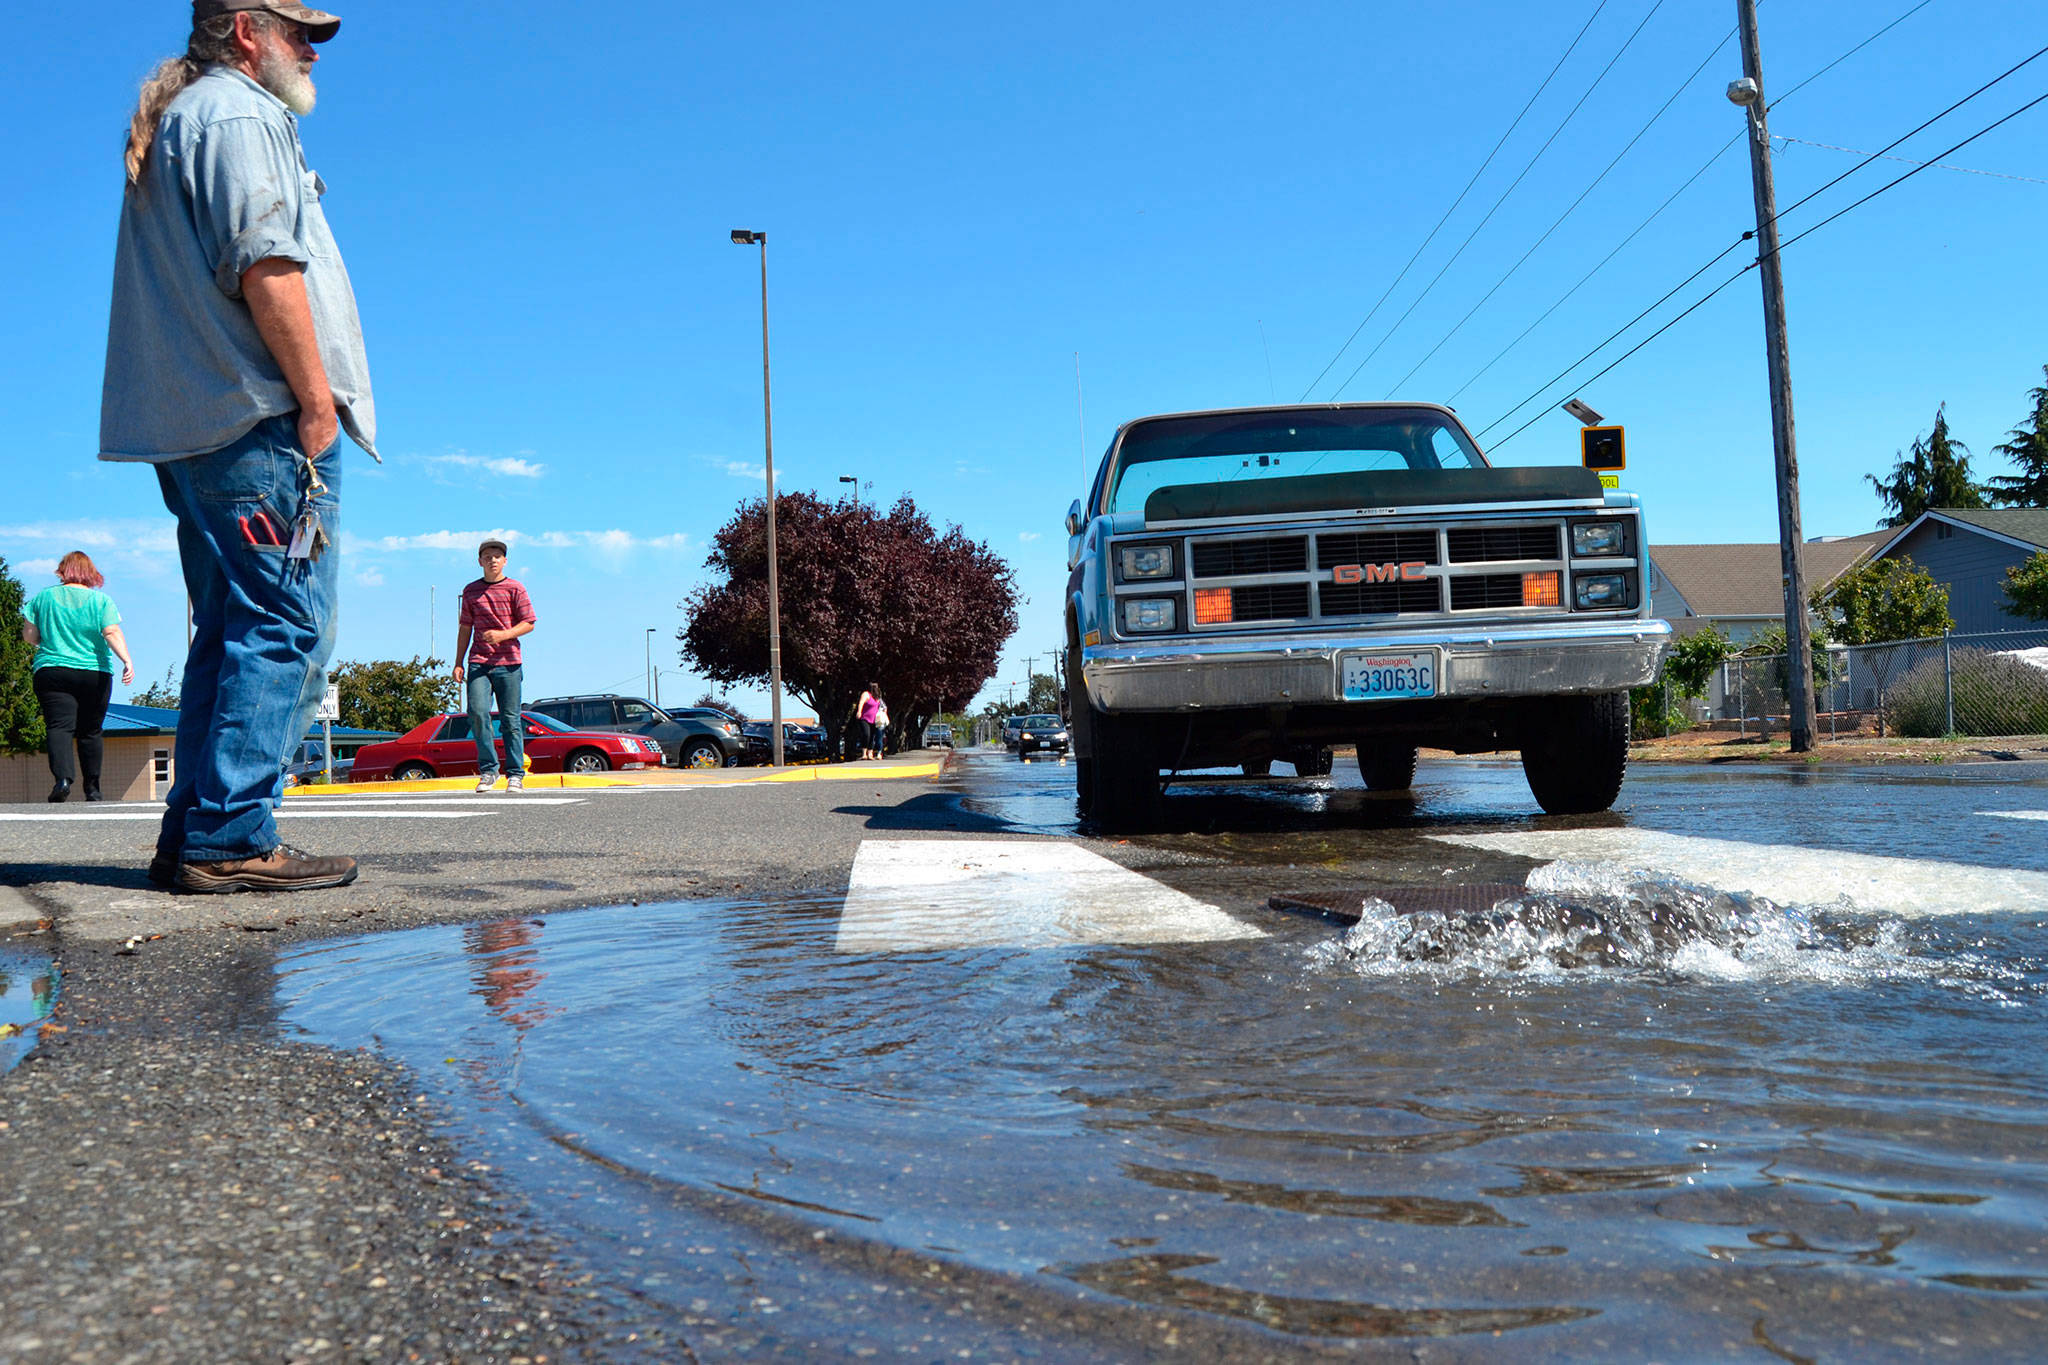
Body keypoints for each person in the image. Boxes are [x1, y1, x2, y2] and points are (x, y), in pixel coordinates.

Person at [101, 1, 369, 893]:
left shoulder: (186, 119)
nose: (314, 51)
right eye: (300, 32)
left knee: (230, 629)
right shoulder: (239, 116)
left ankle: (195, 831)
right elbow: (265, 264)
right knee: (287, 622)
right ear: (248, 32)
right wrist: (315, 404)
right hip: (257, 420)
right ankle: (230, 835)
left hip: (199, 425)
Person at [21, 553, 136, 803]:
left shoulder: (42, 598)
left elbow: (29, 635)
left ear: (62, 571)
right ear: (90, 573)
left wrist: (50, 640)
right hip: (94, 672)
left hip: (53, 670)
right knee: (91, 731)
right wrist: (126, 660)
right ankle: (92, 789)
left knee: (59, 727)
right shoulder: (101, 601)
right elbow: (111, 632)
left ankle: (63, 780)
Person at [453, 539, 537, 792]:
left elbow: (529, 623)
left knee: (511, 719)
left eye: (497, 556)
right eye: (487, 556)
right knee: (477, 713)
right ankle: (489, 771)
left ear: (505, 561)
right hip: (479, 662)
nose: (492, 560)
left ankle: (515, 774)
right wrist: (458, 662)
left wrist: (503, 635)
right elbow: (465, 627)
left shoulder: (515, 588)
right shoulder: (471, 591)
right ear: (480, 561)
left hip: (509, 663)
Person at [856, 685, 883, 761]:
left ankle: (870, 753)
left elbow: (882, 706)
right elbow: (861, 702)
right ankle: (864, 753)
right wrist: (859, 711)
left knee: (872, 736)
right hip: (865, 718)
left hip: (874, 720)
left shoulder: (877, 697)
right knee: (866, 734)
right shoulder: (866, 694)